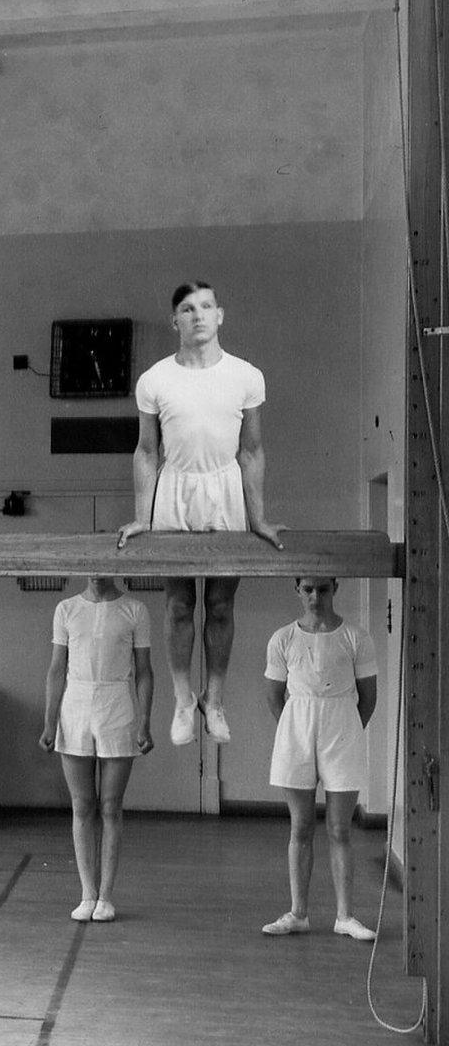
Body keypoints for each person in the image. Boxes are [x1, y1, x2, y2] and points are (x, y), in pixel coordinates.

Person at [116, 282, 282, 747]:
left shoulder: (247, 376)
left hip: (225, 488)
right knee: (179, 604)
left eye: (207, 306)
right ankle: (184, 699)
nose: (198, 316)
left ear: (220, 315)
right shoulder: (155, 380)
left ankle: (215, 698)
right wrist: (143, 516)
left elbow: (251, 451)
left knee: (222, 604)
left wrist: (259, 518)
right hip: (176, 490)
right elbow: (147, 452)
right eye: (187, 309)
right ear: (176, 321)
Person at [260, 577, 378, 941]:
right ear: (298, 590)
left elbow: (368, 697)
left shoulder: (356, 637)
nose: (315, 597)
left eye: (322, 589)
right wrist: (296, 729)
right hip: (297, 727)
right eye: (308, 589)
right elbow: (275, 695)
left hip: (341, 725)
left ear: (335, 589)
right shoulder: (283, 638)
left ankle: (345, 915)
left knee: (340, 829)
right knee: (301, 827)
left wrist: (344, 731)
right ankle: (299, 913)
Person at [38, 576, 155, 923]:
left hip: (117, 704)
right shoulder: (67, 609)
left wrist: (145, 721)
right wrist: (49, 721)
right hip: (76, 705)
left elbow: (145, 672)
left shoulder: (135, 610)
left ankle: (106, 896)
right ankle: (87, 892)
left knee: (110, 805)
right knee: (82, 804)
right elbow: (57, 669)